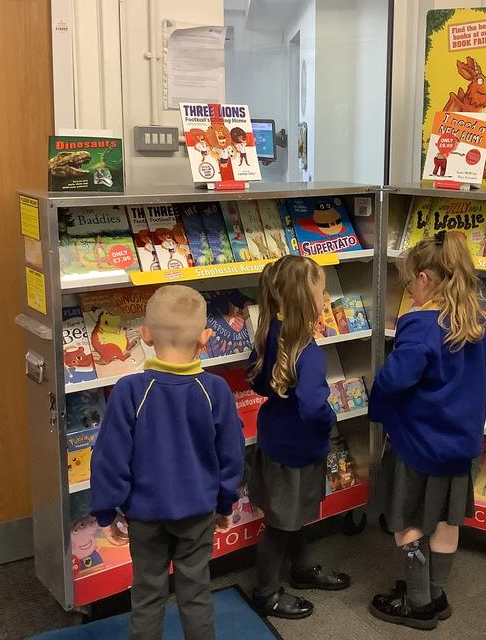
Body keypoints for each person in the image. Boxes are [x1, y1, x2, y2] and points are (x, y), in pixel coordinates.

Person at [89, 285, 245, 640]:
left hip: (144, 515)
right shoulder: (216, 390)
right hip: (198, 512)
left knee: (146, 594)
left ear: (144, 335)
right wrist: (226, 503)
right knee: (196, 592)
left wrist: (105, 511)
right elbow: (231, 454)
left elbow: (109, 457)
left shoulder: (129, 390)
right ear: (205, 338)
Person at [369, 230, 486, 631]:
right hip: (460, 444)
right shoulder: (482, 323)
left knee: (406, 519)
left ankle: (418, 604)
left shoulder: (420, 324)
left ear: (425, 279)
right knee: (447, 521)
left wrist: (382, 405)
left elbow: (394, 379)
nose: (410, 290)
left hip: (417, 443)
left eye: (410, 282)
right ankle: (435, 593)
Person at [247, 256, 351, 619]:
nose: (326, 297)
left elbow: (257, 383)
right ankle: (265, 591)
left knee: (289, 515)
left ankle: (302, 568)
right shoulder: (308, 352)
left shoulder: (270, 333)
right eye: (322, 290)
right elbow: (312, 407)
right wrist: (329, 419)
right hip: (297, 448)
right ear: (306, 298)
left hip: (275, 440)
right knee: (280, 525)